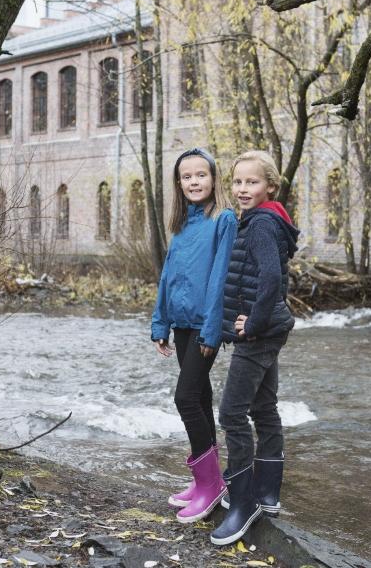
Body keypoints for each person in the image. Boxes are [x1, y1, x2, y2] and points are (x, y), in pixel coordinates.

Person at [210, 150, 300, 546]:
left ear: (270, 187)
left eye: (252, 182)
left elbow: (270, 280)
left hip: (260, 334)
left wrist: (254, 323)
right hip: (269, 330)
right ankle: (266, 493)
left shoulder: (262, 224)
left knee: (232, 413)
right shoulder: (262, 220)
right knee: (264, 408)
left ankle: (242, 505)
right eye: (238, 182)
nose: (243, 189)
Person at [151, 147, 237, 523]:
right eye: (187, 177)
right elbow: (169, 275)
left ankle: (212, 484)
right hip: (182, 323)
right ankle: (204, 480)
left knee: (184, 398)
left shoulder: (225, 219)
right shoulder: (181, 223)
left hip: (205, 325)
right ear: (178, 183)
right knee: (200, 398)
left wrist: (212, 329)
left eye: (200, 175)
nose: (194, 182)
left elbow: (220, 279)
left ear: (214, 178)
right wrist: (160, 323)